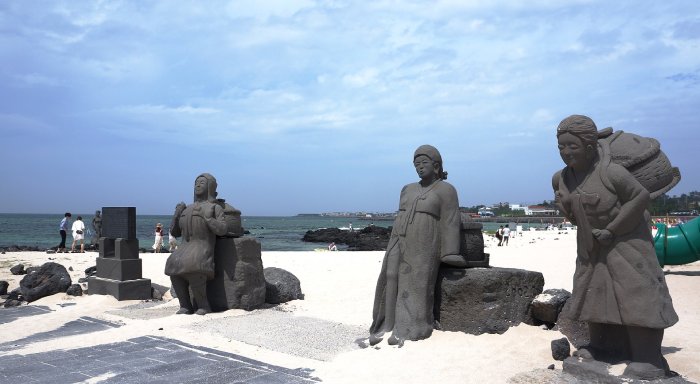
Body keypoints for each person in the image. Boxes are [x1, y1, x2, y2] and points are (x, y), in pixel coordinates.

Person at [552, 115, 677, 380]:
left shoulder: (611, 172)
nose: (566, 152)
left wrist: (613, 228)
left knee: (637, 293)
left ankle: (648, 357)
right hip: (591, 246)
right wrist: (564, 203)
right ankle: (604, 347)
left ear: (588, 146)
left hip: (627, 241)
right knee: (593, 291)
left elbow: (639, 197)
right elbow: (574, 214)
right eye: (561, 147)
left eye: (572, 146)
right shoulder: (564, 177)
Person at [369, 145, 461, 346]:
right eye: (416, 164)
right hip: (399, 236)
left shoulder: (446, 190)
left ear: (436, 165)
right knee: (390, 275)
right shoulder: (408, 188)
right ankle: (386, 324)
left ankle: (410, 328)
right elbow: (400, 215)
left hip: (425, 240)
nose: (419, 167)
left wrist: (450, 252)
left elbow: (451, 221)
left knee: (416, 281)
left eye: (424, 163)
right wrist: (393, 239)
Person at [165, 173, 227, 315]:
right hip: (185, 248)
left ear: (210, 187)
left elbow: (223, 229)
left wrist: (208, 219)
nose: (198, 185)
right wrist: (176, 214)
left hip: (202, 248)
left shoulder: (214, 208)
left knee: (194, 267)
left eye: (202, 183)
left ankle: (204, 306)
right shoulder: (186, 209)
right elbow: (175, 233)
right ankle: (185, 306)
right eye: (196, 183)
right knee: (172, 266)